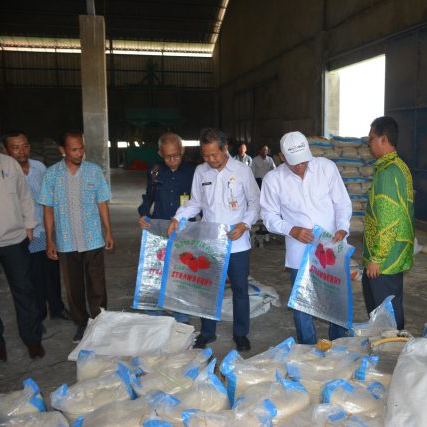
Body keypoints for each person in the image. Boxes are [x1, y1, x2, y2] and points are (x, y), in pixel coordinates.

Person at [169, 128, 260, 351]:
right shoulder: (201, 172)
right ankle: (208, 332)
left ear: (225, 148)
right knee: (207, 289)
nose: (210, 159)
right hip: (210, 242)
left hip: (238, 243)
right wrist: (177, 217)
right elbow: (195, 204)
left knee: (240, 290)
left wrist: (244, 224)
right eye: (205, 155)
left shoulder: (242, 171)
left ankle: (241, 334)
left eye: (214, 155)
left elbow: (255, 203)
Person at [260, 131, 352, 344]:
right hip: (299, 252)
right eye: (294, 163)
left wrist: (342, 228)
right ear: (282, 157)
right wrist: (291, 229)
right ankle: (307, 347)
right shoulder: (273, 180)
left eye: (303, 161)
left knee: (336, 299)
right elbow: (268, 216)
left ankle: (339, 343)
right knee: (302, 303)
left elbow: (342, 202)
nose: (300, 166)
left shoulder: (326, 168)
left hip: (332, 246)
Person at [0, 118, 44, 362]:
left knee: (25, 291)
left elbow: (25, 196)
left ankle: (33, 339)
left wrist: (28, 224)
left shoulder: (8, 164)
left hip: (15, 240)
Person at [39, 130, 114, 343]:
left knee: (97, 284)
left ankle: (100, 321)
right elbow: (48, 209)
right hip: (66, 241)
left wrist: (108, 230)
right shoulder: (52, 174)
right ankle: (81, 323)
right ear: (63, 150)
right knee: (74, 287)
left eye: (81, 148)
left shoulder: (94, 171)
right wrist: (49, 240)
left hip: (92, 239)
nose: (79, 153)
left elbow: (102, 202)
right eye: (74, 149)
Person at [3, 131, 70, 323]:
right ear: (7, 151)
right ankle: (38, 315)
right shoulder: (5, 173)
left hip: (48, 230)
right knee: (32, 278)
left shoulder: (39, 167)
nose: (21, 151)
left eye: (24, 146)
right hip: (26, 234)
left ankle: (57, 308)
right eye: (15, 147)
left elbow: (51, 197)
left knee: (52, 273)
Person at [362, 116, 414, 330]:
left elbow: (389, 219)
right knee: (391, 306)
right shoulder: (399, 167)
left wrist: (377, 258)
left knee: (384, 313)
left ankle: (389, 351)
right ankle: (393, 344)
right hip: (395, 254)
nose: (369, 143)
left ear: (383, 139)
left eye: (372, 138)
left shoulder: (388, 173)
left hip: (385, 259)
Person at [138, 132, 196, 228]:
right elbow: (149, 196)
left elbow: (201, 200)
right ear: (160, 153)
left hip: (185, 226)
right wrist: (144, 214)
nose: (172, 160)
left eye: (176, 155)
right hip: (160, 224)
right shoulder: (154, 172)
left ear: (182, 150)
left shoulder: (193, 172)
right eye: (167, 156)